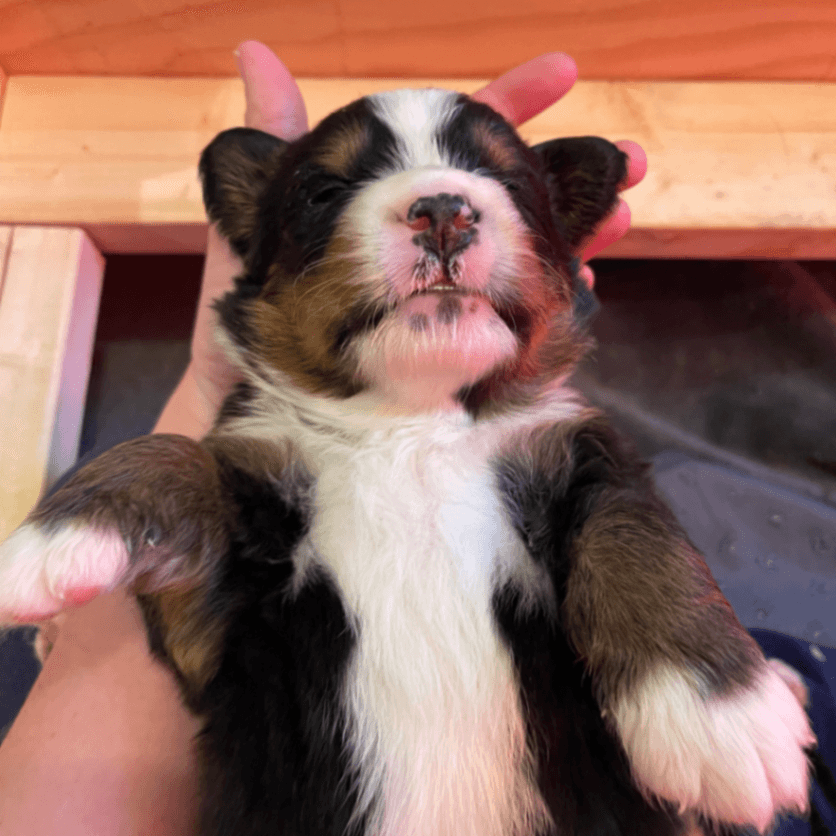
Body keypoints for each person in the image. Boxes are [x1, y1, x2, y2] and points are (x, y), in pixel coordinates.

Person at [0, 41, 646, 835]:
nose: (443, 211)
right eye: (329, 192)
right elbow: (206, 640)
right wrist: (164, 470)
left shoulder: (568, 471)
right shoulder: (250, 481)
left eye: (507, 187)